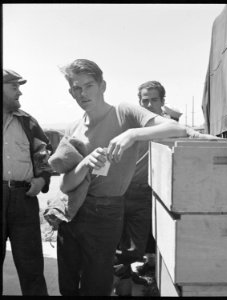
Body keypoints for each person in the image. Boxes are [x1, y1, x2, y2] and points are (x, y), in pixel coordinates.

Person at [55, 59, 188, 296]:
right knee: (68, 285)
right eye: (76, 88)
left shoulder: (124, 113)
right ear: (70, 92)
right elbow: (66, 185)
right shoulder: (73, 128)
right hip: (72, 213)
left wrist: (133, 134)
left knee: (96, 286)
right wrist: (85, 164)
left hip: (105, 213)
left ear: (103, 85)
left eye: (89, 85)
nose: (82, 93)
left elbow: (177, 129)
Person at [114, 80, 225, 296]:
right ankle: (123, 278)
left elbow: (191, 134)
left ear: (163, 102)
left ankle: (133, 276)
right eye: (144, 100)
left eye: (154, 99)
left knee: (144, 242)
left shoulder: (168, 126)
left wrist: (214, 141)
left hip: (151, 190)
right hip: (123, 189)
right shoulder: (131, 127)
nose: (148, 104)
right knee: (120, 238)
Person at [2, 69, 53, 295]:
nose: (19, 92)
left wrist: (42, 179)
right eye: (14, 87)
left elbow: (43, 154)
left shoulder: (27, 121)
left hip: (24, 199)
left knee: (31, 265)